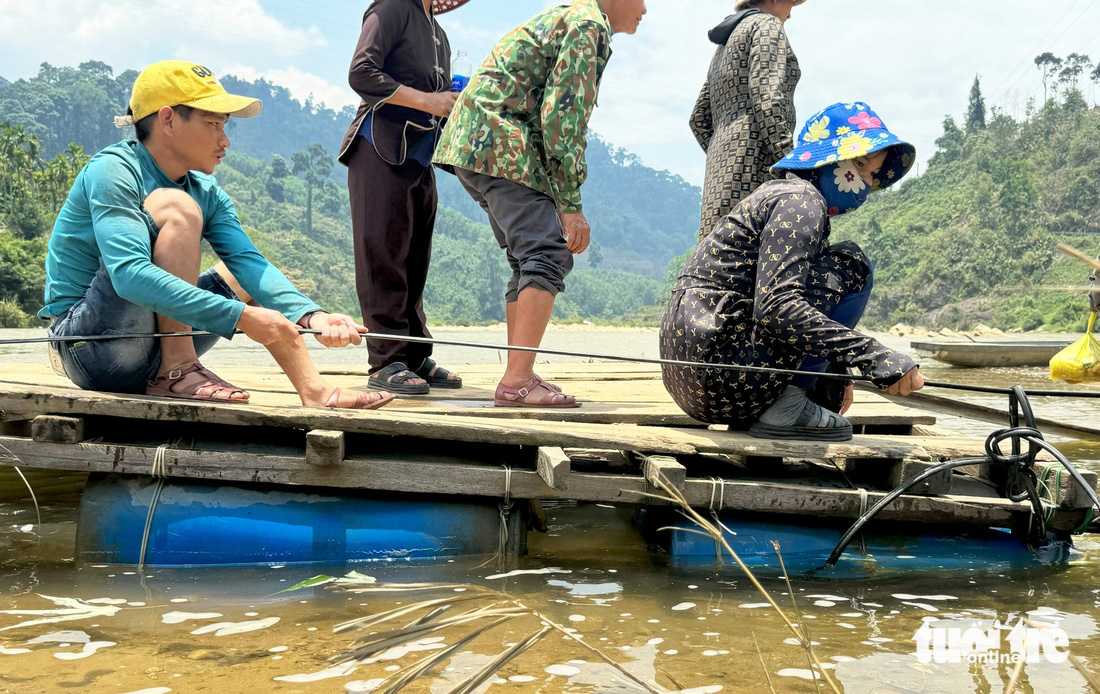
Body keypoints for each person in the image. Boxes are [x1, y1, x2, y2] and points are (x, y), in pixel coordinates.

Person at [39, 61, 393, 410]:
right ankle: (178, 370)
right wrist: (242, 317)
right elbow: (129, 276)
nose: (224, 141)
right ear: (168, 120)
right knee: (177, 207)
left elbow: (249, 264)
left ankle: (315, 391)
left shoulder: (205, 190)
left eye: (225, 127)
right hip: (92, 349)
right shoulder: (113, 170)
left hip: (148, 346)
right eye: (213, 125)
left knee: (237, 275)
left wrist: (313, 316)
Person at [661, 102, 926, 441]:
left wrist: (836, 370)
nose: (864, 180)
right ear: (827, 159)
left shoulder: (778, 195)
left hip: (693, 382)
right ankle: (788, 403)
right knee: (852, 264)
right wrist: (875, 355)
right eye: (859, 164)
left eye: (871, 174)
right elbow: (777, 306)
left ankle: (787, 399)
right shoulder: (803, 201)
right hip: (723, 372)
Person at [433, 0, 647, 408]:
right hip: (498, 143)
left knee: (526, 258)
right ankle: (517, 382)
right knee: (547, 253)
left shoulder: (573, 18)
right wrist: (570, 204)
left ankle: (520, 375)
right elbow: (563, 118)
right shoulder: (588, 25)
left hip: (476, 144)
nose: (645, 10)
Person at [339, 0, 468, 395]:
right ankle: (386, 360)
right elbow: (361, 73)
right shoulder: (393, 7)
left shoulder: (440, 35)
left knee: (414, 258)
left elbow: (440, 98)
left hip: (420, 155)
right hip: (380, 147)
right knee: (382, 253)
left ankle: (413, 355)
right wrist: (428, 101)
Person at [691, 0, 804, 241]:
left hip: (718, 177)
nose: (790, 14)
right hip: (756, 169)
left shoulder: (725, 45)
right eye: (792, 4)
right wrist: (789, 163)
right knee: (751, 263)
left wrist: (724, 153)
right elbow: (768, 99)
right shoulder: (767, 25)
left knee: (716, 262)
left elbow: (699, 119)